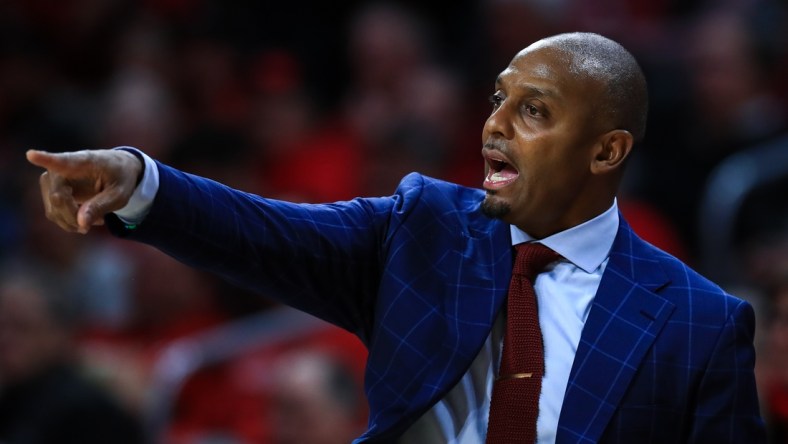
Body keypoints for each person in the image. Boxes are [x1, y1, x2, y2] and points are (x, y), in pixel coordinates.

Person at [26, 32, 765, 443]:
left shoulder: (699, 321)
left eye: (533, 111)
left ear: (607, 152)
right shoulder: (424, 228)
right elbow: (263, 233)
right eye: (497, 100)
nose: (495, 126)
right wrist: (138, 180)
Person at [0, 265, 144, 444]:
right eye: (1, 326)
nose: (5, 338)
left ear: (59, 334)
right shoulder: (13, 395)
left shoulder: (88, 413)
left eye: (21, 327)